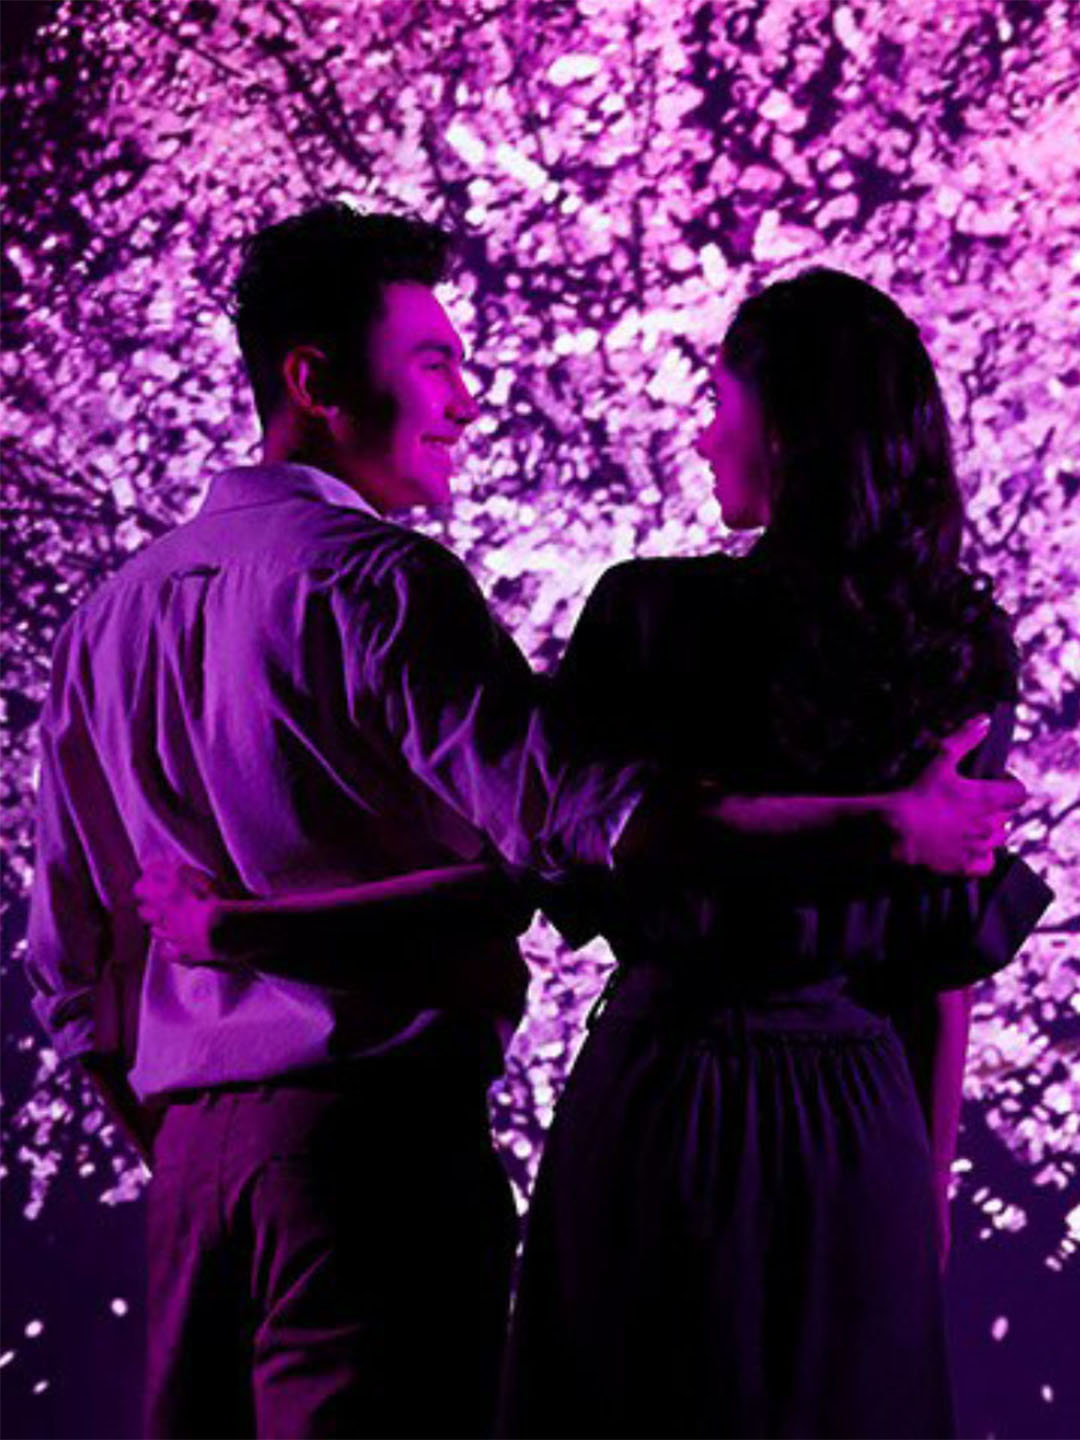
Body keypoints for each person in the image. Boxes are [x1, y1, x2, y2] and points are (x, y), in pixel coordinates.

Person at [28, 202, 1026, 1440]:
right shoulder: (383, 587)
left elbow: (69, 968)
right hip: (383, 1146)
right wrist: (883, 830)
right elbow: (578, 827)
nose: (467, 401)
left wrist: (196, 1103)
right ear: (314, 383)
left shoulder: (108, 616)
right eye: (433, 363)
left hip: (201, 1162)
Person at [493, 270, 1052, 1438]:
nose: (702, 435)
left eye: (719, 401)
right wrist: (925, 1187)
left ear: (788, 430)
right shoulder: (952, 643)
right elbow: (939, 969)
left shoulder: (646, 616)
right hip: (860, 1121)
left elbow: (572, 847)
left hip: (661, 1091)